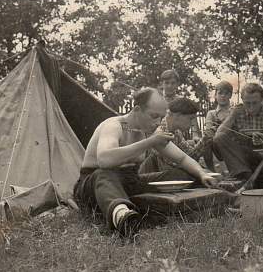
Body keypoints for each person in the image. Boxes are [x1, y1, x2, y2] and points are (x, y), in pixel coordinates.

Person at [73, 88, 219, 237]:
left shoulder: (148, 131)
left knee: (182, 173)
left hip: (130, 182)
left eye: (161, 117)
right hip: (94, 185)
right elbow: (104, 160)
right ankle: (122, 217)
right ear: (137, 110)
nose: (158, 122)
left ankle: (215, 199)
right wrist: (149, 142)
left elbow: (182, 158)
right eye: (154, 116)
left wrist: (202, 173)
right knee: (104, 175)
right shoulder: (114, 125)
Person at [213, 83, 263, 181]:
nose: (251, 107)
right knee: (220, 138)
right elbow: (218, 135)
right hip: (242, 154)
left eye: (255, 103)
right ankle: (243, 174)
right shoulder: (236, 111)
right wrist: (233, 116)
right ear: (242, 100)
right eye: (247, 103)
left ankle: (257, 176)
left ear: (262, 100)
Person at [139, 98, 208, 173]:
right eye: (190, 118)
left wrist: (205, 140)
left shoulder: (176, 132)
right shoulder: (160, 130)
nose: (192, 123)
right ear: (178, 115)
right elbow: (173, 165)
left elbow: (189, 156)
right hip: (147, 175)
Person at [159, 69, 202, 140]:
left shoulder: (182, 101)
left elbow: (193, 120)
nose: (170, 86)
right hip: (160, 136)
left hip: (179, 137)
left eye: (173, 83)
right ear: (162, 84)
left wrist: (195, 135)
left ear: (177, 84)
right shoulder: (157, 100)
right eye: (166, 83)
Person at [203, 80, 233, 170]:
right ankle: (211, 170)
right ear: (215, 95)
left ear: (230, 95)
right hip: (215, 144)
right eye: (220, 93)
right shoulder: (212, 113)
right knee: (206, 139)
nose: (223, 96)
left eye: (226, 93)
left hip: (231, 141)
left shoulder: (233, 112)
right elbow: (209, 130)